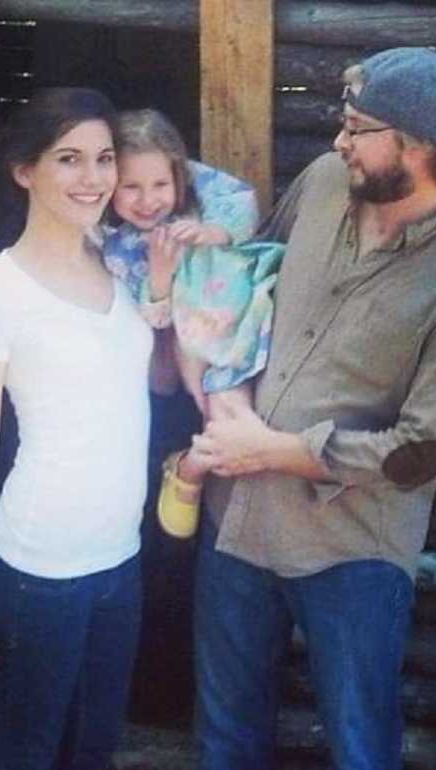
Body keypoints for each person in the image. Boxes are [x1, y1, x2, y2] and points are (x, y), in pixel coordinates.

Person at [176, 48, 436, 770]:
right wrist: (230, 406)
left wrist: (281, 451)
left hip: (356, 552)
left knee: (361, 758)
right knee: (226, 737)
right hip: (237, 523)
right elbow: (253, 286)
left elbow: (421, 451)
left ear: (418, 146)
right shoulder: (326, 186)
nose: (338, 143)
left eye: (359, 131)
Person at [0, 87, 172, 770]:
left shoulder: (117, 259)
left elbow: (144, 376)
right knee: (27, 750)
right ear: (23, 171)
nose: (94, 177)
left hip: (119, 555)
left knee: (93, 742)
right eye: (69, 159)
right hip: (38, 562)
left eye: (104, 158)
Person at [101, 109, 284, 538]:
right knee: (212, 402)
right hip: (191, 336)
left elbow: (242, 202)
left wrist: (214, 232)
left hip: (241, 312)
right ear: (110, 185)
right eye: (131, 187)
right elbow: (156, 319)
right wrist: (161, 275)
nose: (148, 200)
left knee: (257, 395)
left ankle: (219, 460)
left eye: (160, 185)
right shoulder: (120, 247)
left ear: (178, 176)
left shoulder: (201, 188)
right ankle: (190, 469)